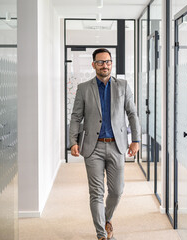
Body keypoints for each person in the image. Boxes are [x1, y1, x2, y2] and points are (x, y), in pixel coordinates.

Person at [69, 48, 140, 240]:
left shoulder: (123, 86)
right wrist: (73, 141)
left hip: (117, 146)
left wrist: (136, 140)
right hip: (93, 148)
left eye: (108, 61)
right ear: (93, 65)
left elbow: (132, 114)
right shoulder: (84, 88)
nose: (105, 65)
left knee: (117, 191)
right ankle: (101, 234)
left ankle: (106, 219)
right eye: (100, 62)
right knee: (96, 193)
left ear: (111, 63)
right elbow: (76, 116)